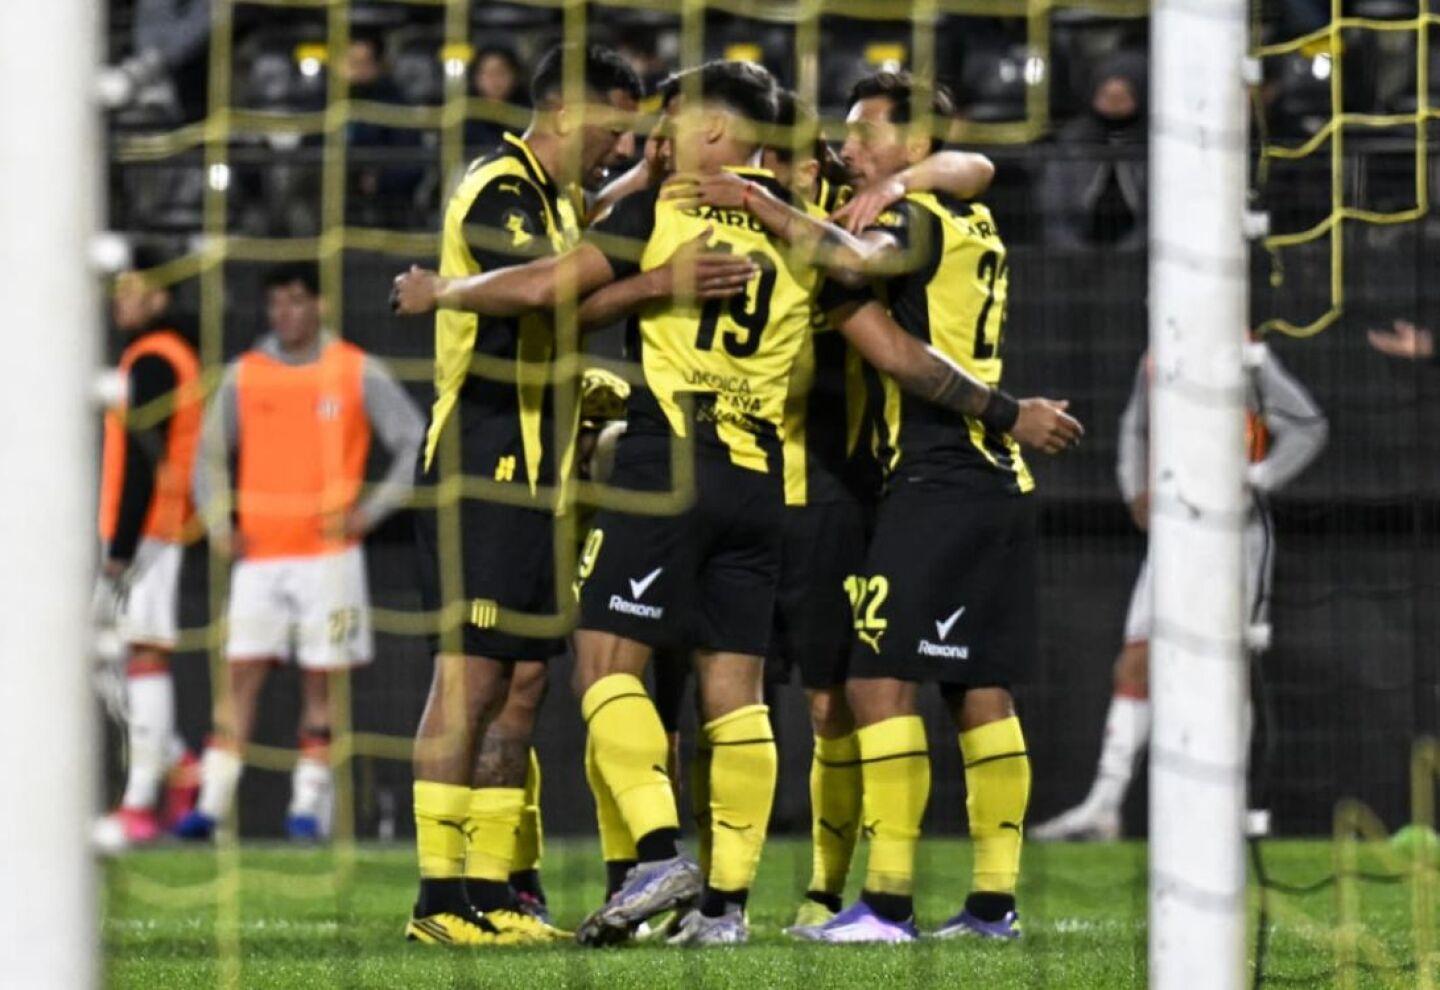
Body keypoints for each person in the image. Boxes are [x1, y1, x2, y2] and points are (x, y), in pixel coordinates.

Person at [392, 59, 1079, 947]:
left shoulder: (664, 211)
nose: (651, 141)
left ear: (715, 132)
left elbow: (562, 295)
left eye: (671, 123)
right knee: (739, 692)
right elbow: (893, 310)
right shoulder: (814, 229)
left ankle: (647, 857)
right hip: (770, 480)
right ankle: (725, 907)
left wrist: (450, 291)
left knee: (604, 670)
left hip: (668, 459)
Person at [674, 69, 1079, 943]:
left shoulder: (903, 220)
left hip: (935, 479)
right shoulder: (954, 205)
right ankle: (991, 908)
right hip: (984, 478)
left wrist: (767, 207)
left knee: (876, 682)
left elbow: (875, 286)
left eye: (867, 135)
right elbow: (976, 170)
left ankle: (885, 907)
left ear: (915, 144)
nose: (849, 148)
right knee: (976, 687)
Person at [401, 44, 642, 949]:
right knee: (469, 676)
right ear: (571, 113)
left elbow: (575, 265)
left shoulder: (561, 199)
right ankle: (437, 898)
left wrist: (636, 191)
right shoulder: (499, 184)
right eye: (617, 128)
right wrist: (651, 236)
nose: (620, 146)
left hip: (542, 475)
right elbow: (549, 285)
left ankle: (494, 891)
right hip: (482, 462)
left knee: (523, 681)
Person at [1032, 341, 1328, 841]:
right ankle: (1104, 807)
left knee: (1229, 668)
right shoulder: (1157, 354)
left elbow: (1309, 425)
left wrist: (1257, 477)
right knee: (1136, 660)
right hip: (1173, 534)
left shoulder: (1251, 357)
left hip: (1238, 537)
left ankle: (1227, 806)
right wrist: (1134, 490)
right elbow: (1136, 427)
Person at [174, 262, 424, 844]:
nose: (285, 313)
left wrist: (372, 509)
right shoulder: (246, 375)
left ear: (319, 304)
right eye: (275, 303)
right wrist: (218, 522)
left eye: (295, 300)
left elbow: (415, 441)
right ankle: (210, 809)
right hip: (259, 558)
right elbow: (206, 456)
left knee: (323, 684)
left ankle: (308, 811)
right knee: (239, 678)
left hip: (330, 561)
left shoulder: (355, 370)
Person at [93, 254, 203, 847]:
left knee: (141, 657)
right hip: (153, 530)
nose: (120, 298)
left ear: (159, 297)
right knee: (112, 658)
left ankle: (140, 801)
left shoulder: (157, 360)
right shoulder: (163, 355)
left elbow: (142, 455)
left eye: (132, 288)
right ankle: (182, 763)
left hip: (148, 534)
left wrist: (121, 547)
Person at [1039, 51, 1148, 251]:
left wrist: (1130, 252)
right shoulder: (1073, 140)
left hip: (1137, 257)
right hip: (1076, 252)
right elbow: (1053, 205)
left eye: (1121, 98)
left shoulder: (1151, 144)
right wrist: (1074, 251)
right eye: (1107, 96)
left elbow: (1158, 217)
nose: (1113, 105)